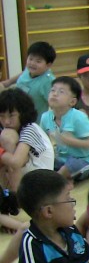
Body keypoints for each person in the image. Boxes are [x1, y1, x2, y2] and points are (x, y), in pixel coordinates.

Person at [0, 88, 54, 232]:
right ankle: (8, 204)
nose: (6, 121)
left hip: (39, 181)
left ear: (22, 113)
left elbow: (16, 162)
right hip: (27, 176)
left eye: (11, 116)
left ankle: (13, 199)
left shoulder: (30, 129)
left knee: (6, 137)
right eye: (2, 116)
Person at [40, 77, 89, 183]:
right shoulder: (45, 117)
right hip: (60, 160)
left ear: (72, 101)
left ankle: (52, 182)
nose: (55, 94)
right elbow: (42, 141)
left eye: (61, 92)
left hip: (84, 161)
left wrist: (71, 141)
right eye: (52, 90)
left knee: (71, 166)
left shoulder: (78, 117)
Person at [0, 41, 56, 120]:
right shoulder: (30, 69)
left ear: (48, 65)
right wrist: (7, 83)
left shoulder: (48, 81)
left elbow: (55, 105)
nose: (32, 63)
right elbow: (23, 73)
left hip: (33, 121)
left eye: (38, 61)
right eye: (30, 59)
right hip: (16, 114)